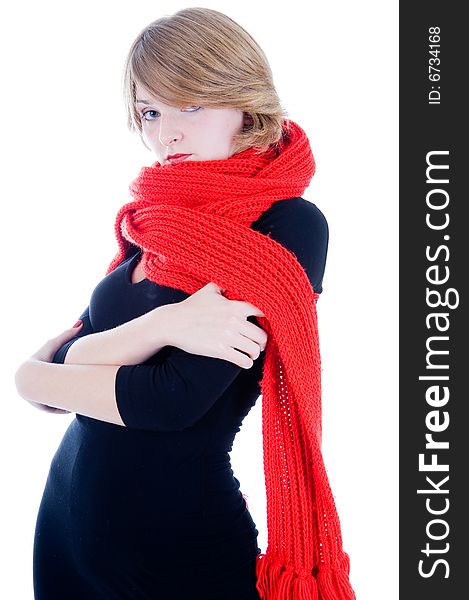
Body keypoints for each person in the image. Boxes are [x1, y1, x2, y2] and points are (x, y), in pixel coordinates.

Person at [15, 7, 356, 599]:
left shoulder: (287, 224)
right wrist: (166, 323)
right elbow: (50, 365)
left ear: (244, 102)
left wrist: (45, 374)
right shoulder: (153, 222)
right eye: (149, 111)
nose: (163, 132)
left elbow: (169, 402)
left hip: (177, 557)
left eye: (188, 106)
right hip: (65, 539)